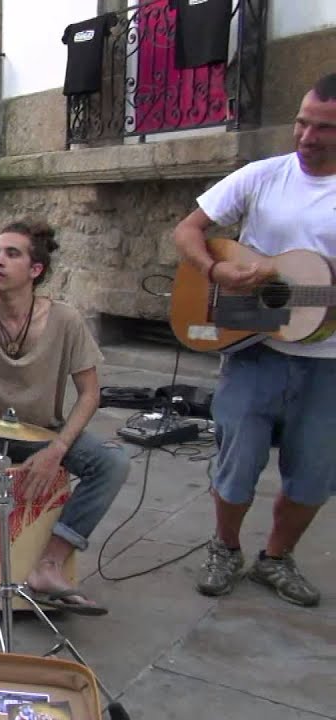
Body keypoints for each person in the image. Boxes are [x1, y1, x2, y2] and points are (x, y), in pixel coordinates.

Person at [0, 219, 129, 649]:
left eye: (12, 253)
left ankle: (49, 563)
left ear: (36, 270)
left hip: (42, 432)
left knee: (113, 465)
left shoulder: (66, 321)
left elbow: (90, 394)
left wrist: (59, 449)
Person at [174, 74, 336, 608]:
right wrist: (213, 272)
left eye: (323, 128)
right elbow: (189, 230)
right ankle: (224, 548)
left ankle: (276, 558)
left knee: (313, 472)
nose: (307, 136)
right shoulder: (263, 176)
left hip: (328, 363)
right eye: (302, 122)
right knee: (236, 460)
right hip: (254, 349)